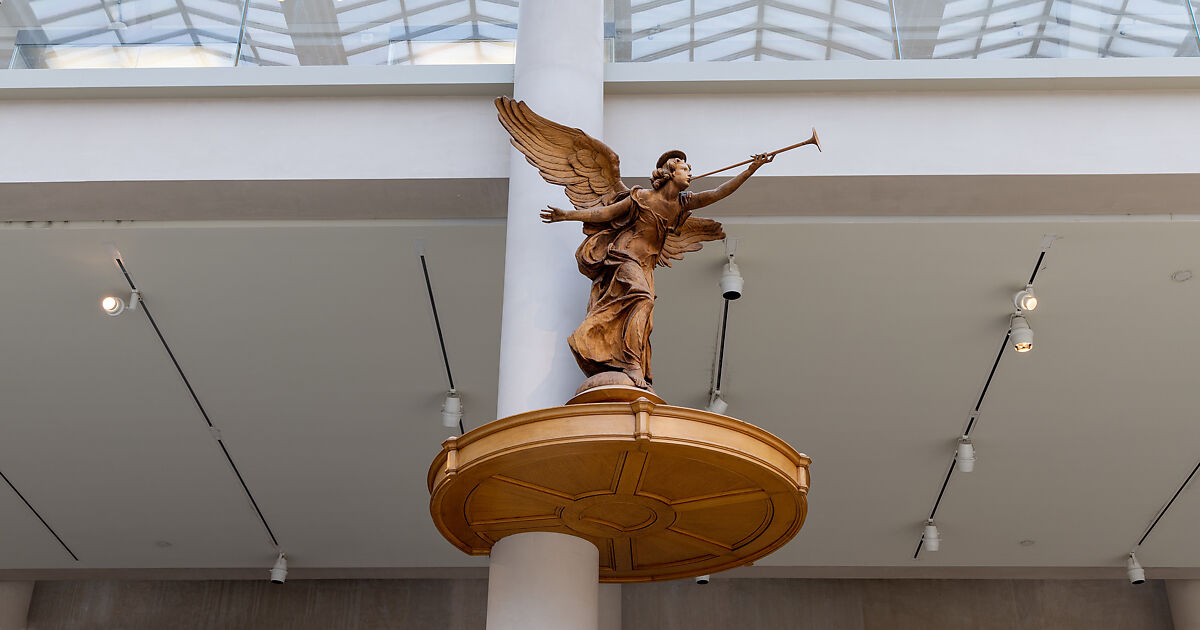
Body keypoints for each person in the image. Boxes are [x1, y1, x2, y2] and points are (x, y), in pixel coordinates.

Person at [539, 150, 773, 390]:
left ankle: (620, 354)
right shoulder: (641, 197)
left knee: (644, 318)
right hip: (624, 256)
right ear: (669, 173)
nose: (690, 174)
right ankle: (631, 363)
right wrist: (567, 215)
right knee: (642, 299)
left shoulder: (683, 203)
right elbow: (605, 213)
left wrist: (750, 169)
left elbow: (717, 193)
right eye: (685, 169)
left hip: (646, 265)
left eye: (690, 170)